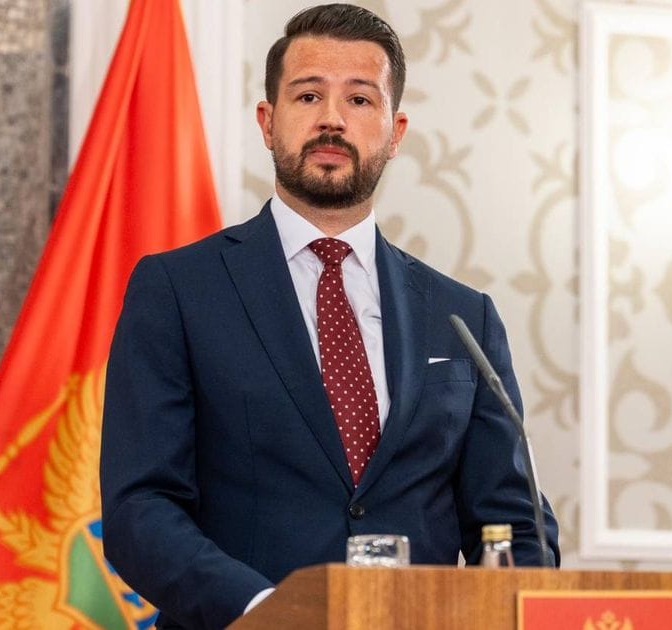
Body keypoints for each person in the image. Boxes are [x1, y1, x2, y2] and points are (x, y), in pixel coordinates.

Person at [100, 4, 559, 629]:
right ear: (268, 122)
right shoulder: (178, 290)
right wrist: (269, 613)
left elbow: (513, 524)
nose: (332, 119)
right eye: (308, 95)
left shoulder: (463, 317)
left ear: (395, 133)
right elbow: (141, 509)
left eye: (360, 100)